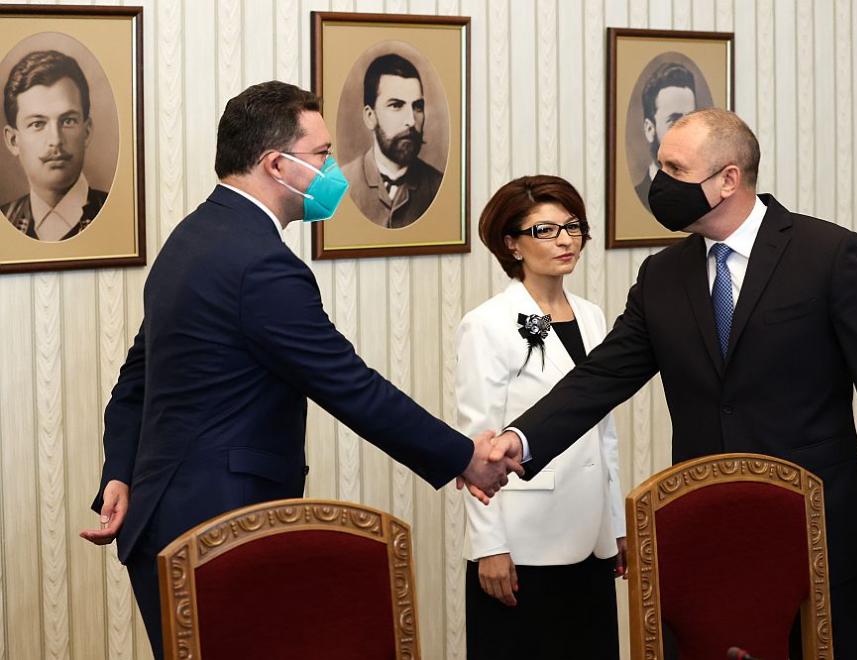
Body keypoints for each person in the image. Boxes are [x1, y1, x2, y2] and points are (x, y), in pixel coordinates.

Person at [78, 81, 519, 660]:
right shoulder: (260, 264)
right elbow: (349, 385)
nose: (333, 169)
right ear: (275, 164)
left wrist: (121, 471)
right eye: (322, 154)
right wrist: (464, 457)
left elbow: (134, 382)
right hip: (220, 534)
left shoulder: (191, 238)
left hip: (166, 519)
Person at [490, 108, 857, 658]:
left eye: (675, 170)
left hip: (817, 535)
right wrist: (518, 440)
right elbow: (601, 377)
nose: (659, 183)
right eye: (660, 166)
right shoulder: (662, 274)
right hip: (706, 540)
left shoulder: (828, 254)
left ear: (728, 179)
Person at [457, 176, 626, 660]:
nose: (566, 240)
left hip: (590, 534)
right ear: (512, 244)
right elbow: (477, 443)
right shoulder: (487, 323)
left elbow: (604, 433)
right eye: (545, 231)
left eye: (573, 227)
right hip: (523, 542)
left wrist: (615, 522)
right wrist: (489, 546)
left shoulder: (592, 316)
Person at [2, 50, 106, 241]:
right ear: (13, 141)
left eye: (68, 121)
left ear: (87, 131)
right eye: (37, 124)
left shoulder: (117, 214)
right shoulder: (5, 220)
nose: (56, 140)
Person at [341, 53, 443, 228]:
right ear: (370, 117)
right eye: (396, 105)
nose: (411, 121)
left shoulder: (437, 186)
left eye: (417, 107)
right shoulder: (342, 184)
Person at [633, 62, 697, 209]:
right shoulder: (640, 195)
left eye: (691, 120)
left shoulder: (707, 197)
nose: (687, 132)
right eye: (674, 121)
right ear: (650, 129)